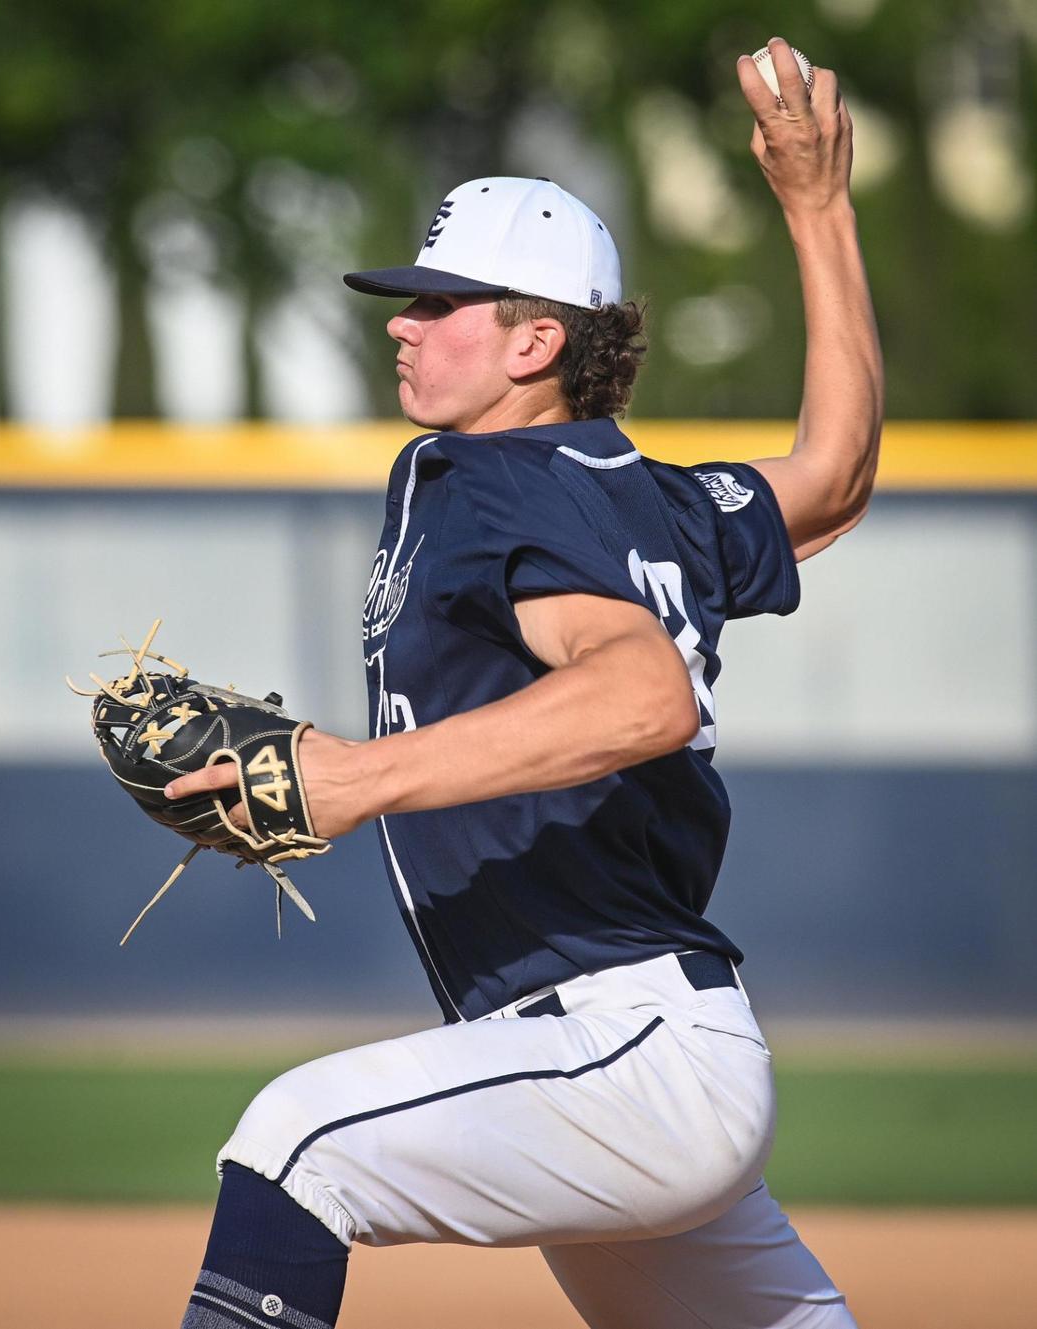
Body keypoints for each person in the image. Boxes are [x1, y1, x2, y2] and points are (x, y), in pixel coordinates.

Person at [167, 40, 881, 1329]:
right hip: (629, 1053)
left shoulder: (491, 484)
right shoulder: (647, 495)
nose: (403, 318)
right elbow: (831, 473)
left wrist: (360, 779)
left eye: (441, 303)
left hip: (622, 1049)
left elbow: (642, 697)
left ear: (534, 340)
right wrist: (818, 207)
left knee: (294, 1144)